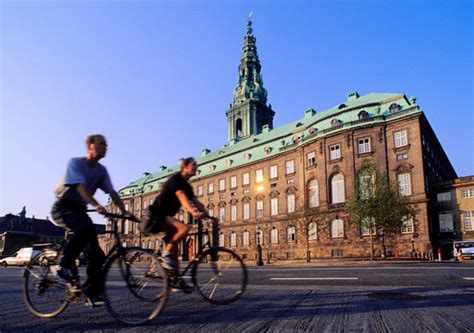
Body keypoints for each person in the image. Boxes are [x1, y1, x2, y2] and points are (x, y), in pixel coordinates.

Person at [51, 134, 131, 307]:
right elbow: (80, 188)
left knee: (97, 255)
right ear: (89, 146)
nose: (105, 147)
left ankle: (91, 293)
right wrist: (96, 205)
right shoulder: (76, 163)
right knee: (84, 228)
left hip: (80, 210)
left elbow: (112, 192)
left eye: (106, 145)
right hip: (63, 207)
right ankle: (62, 266)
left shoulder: (101, 171)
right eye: (101, 144)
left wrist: (125, 211)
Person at [140, 157, 208, 289]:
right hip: (157, 215)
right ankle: (164, 255)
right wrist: (193, 212)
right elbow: (182, 198)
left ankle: (175, 280)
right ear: (185, 167)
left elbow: (197, 202)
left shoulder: (187, 186)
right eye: (193, 164)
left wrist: (209, 215)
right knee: (183, 228)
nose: (196, 167)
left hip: (166, 216)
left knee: (175, 250)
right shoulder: (177, 179)